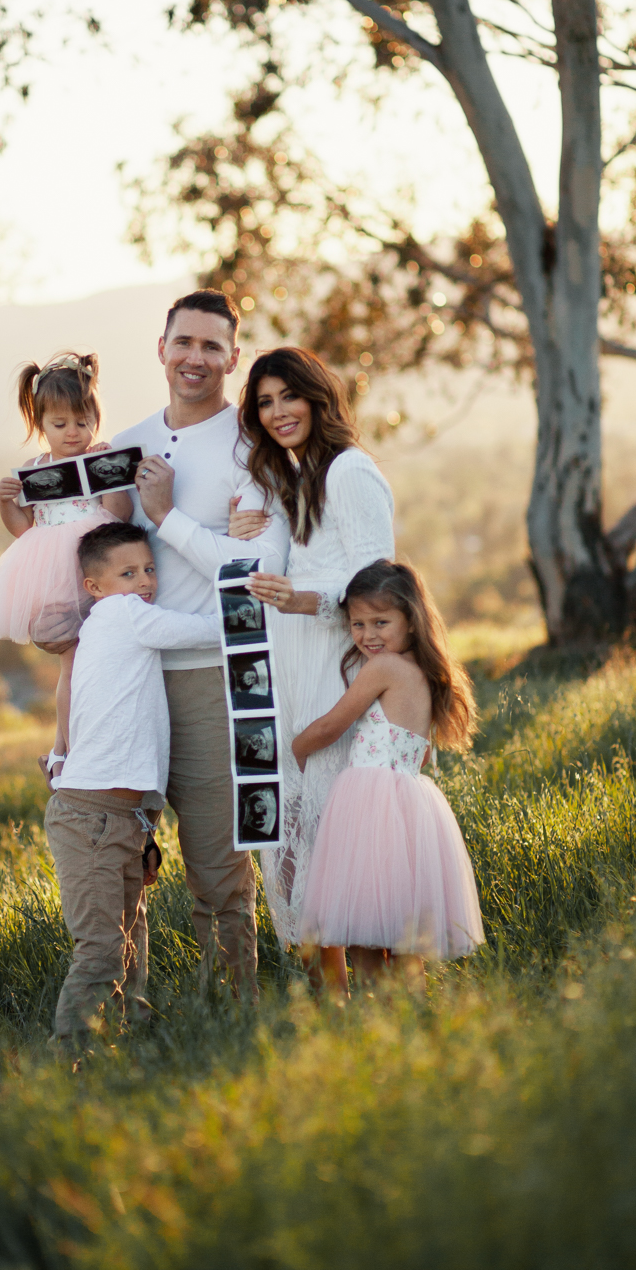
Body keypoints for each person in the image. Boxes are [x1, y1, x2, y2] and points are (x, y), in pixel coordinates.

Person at [112, 290, 290, 999]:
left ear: (233, 359)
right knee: (123, 859)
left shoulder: (252, 452)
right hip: (130, 682)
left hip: (214, 679)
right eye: (184, 342)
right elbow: (87, 551)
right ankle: (122, 1012)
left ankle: (231, 1010)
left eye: (212, 347)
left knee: (218, 864)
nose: (195, 358)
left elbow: (256, 572)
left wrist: (165, 514)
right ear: (160, 348)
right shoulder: (124, 443)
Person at [231, 347, 395, 970]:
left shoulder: (350, 471)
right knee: (295, 829)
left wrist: (305, 601)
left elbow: (380, 580)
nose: (277, 413)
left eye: (287, 397)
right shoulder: (294, 479)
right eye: (264, 404)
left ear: (317, 396)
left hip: (336, 663)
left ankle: (379, 993)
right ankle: (326, 1000)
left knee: (342, 828)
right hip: (289, 667)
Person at [43, 521, 220, 1055]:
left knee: (129, 943)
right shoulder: (121, 615)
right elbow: (201, 632)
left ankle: (126, 1045)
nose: (144, 580)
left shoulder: (115, 622)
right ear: (94, 587)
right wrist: (258, 606)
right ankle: (67, 1056)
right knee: (100, 948)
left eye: (148, 569)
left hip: (121, 817)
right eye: (127, 573)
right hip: (92, 817)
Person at [293, 559, 484, 995]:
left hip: (371, 800)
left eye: (381, 622)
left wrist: (295, 749)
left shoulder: (383, 669)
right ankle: (408, 1016)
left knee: (363, 932)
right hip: (409, 803)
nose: (367, 635)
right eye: (357, 624)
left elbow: (332, 726)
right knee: (402, 936)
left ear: (411, 622)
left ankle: (376, 1020)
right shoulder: (423, 671)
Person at [0, 352, 132, 745]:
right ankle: (66, 742)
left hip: (102, 565)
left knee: (112, 653)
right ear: (40, 424)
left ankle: (113, 730)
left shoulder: (101, 458)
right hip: (57, 576)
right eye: (60, 424)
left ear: (97, 419)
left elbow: (120, 517)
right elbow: (24, 530)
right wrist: (6, 503)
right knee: (72, 661)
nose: (73, 433)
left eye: (84, 422)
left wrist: (109, 476)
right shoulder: (36, 468)